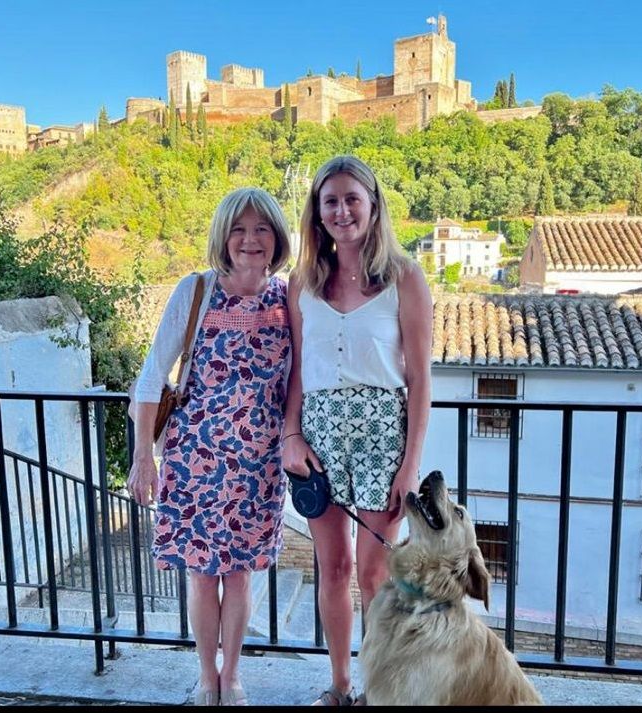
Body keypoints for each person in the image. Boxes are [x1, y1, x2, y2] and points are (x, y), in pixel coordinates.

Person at [129, 187, 292, 706]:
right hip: (194, 458)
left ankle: (232, 675)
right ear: (223, 236)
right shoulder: (195, 290)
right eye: (239, 229)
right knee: (202, 575)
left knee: (240, 577)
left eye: (261, 229)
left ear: (277, 238)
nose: (250, 240)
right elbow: (152, 375)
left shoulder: (289, 299)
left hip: (258, 463)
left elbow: (301, 381)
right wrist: (142, 459)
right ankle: (205, 675)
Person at [282, 156, 433, 706]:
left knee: (373, 574)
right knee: (333, 566)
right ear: (317, 215)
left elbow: (419, 380)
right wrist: (290, 434)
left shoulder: (404, 277)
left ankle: (379, 689)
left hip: (381, 438)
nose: (342, 210)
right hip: (318, 439)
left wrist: (409, 465)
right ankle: (340, 687)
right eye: (330, 202)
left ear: (373, 205)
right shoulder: (303, 282)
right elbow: (297, 369)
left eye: (352, 199)